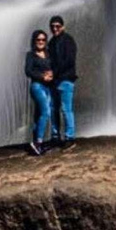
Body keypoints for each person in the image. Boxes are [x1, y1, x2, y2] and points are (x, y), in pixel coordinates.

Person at [47, 15, 77, 148]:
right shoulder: (51, 43)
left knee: (66, 109)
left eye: (57, 26)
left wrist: (55, 72)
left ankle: (69, 137)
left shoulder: (68, 40)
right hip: (54, 81)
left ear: (63, 26)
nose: (55, 28)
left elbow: (70, 61)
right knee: (53, 109)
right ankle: (55, 137)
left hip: (65, 79)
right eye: (52, 26)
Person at [25, 29, 53, 156]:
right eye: (38, 39)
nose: (41, 41)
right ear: (34, 41)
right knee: (46, 112)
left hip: (48, 87)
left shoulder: (48, 53)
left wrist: (52, 73)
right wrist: (43, 76)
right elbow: (28, 71)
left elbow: (54, 67)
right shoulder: (30, 55)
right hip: (37, 87)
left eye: (43, 39)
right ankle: (38, 143)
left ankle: (35, 142)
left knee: (38, 114)